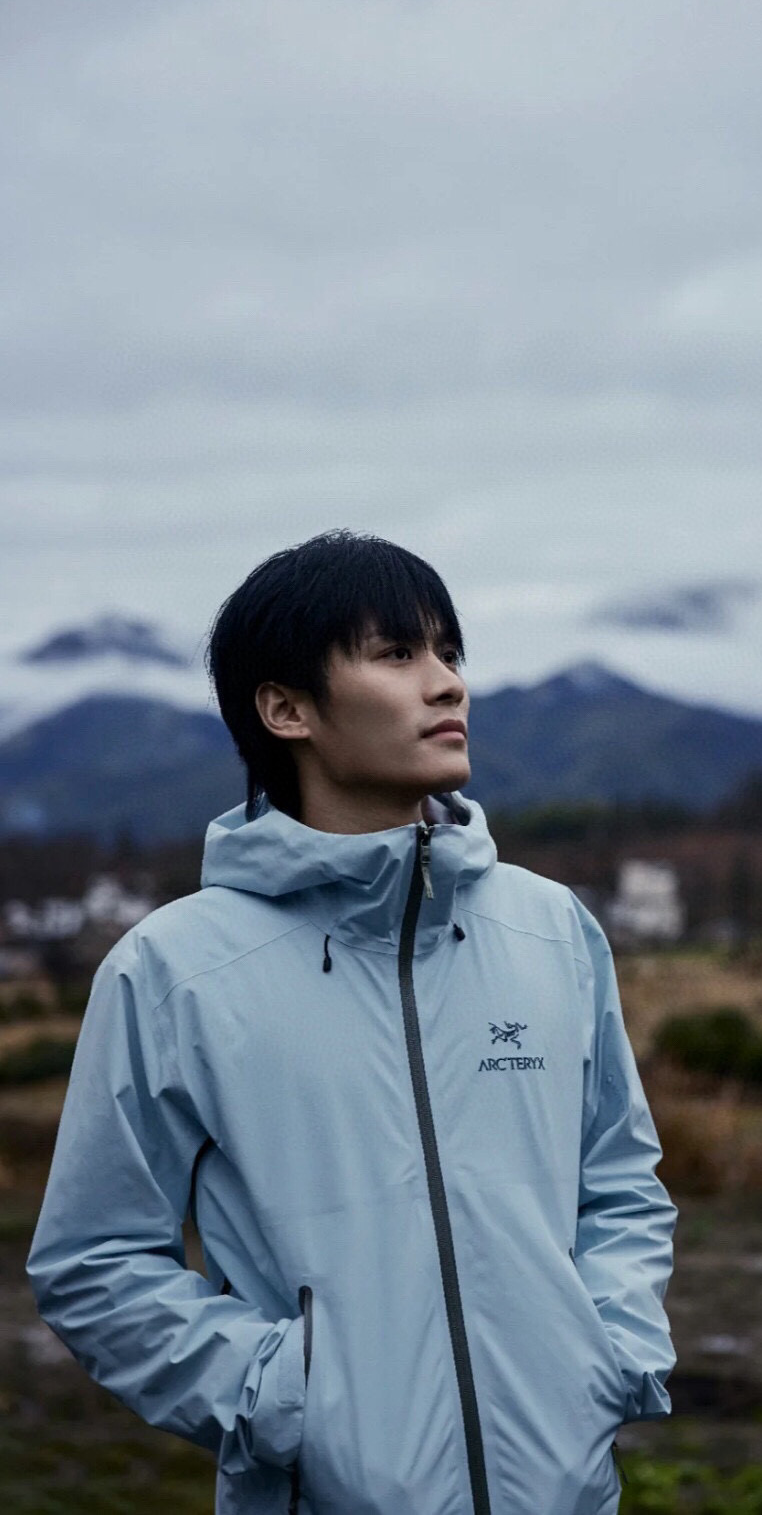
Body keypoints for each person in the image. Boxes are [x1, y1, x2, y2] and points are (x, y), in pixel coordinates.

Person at [26, 528, 678, 1515]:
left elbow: (620, 1182)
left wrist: (608, 1352)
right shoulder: (173, 972)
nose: (447, 683)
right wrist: (283, 1397)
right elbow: (95, 1260)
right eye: (396, 653)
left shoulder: (551, 929)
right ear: (286, 708)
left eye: (449, 651)